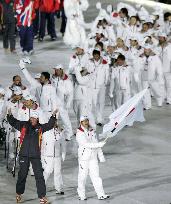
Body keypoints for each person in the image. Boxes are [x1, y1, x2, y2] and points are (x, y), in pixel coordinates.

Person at [7, 108, 58, 204]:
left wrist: (53, 116)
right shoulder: (24, 125)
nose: (33, 120)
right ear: (29, 118)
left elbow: (50, 125)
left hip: (35, 156)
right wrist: (9, 115)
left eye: (35, 118)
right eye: (31, 118)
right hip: (24, 155)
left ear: (37, 119)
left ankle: (42, 197)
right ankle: (19, 194)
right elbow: (14, 122)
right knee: (22, 175)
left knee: (39, 176)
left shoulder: (40, 128)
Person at [76, 116, 109, 200]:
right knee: (82, 177)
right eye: (84, 121)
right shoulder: (79, 133)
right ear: (81, 123)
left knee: (96, 177)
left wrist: (101, 156)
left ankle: (101, 194)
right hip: (84, 159)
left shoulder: (92, 131)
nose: (86, 122)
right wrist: (98, 144)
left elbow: (96, 143)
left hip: (93, 158)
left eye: (87, 120)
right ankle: (81, 195)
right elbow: (86, 144)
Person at [42, 120, 66, 195]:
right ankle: (41, 187)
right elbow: (53, 140)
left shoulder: (59, 132)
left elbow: (63, 143)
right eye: (54, 122)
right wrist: (43, 157)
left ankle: (58, 189)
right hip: (49, 156)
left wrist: (63, 153)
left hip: (57, 156)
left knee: (58, 173)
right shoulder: (46, 133)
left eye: (56, 122)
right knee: (47, 172)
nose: (55, 124)